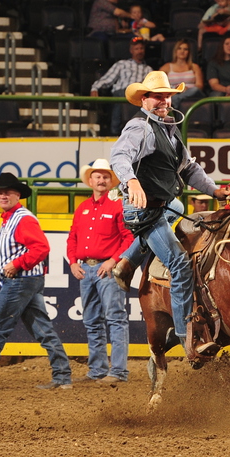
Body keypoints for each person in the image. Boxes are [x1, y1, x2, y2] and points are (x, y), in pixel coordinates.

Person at [109, 70, 230, 355]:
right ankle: (187, 337)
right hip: (143, 211)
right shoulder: (139, 127)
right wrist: (130, 181)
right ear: (144, 99)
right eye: (158, 96)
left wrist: (214, 191)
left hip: (162, 204)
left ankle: (128, 261)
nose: (164, 100)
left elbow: (189, 168)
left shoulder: (169, 129)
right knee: (179, 263)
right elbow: (119, 156)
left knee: (178, 206)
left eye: (167, 95)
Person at [0, 173, 72, 391]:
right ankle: (62, 376)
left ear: (17, 195)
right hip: (28, 280)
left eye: (7, 192)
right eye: (0, 192)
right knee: (42, 328)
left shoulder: (22, 219)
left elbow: (41, 248)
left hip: (20, 280)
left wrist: (17, 264)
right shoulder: (14, 218)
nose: (2, 195)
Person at [67, 160, 134, 384]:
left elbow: (128, 238)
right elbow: (73, 237)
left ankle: (118, 371)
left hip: (107, 269)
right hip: (86, 269)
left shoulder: (117, 206)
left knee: (115, 318)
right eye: (98, 176)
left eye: (106, 177)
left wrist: (113, 261)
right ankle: (97, 370)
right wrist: (73, 262)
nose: (102, 180)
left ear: (109, 181)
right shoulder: (82, 208)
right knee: (92, 320)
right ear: (91, 180)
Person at [90, 37, 152, 136]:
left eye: (141, 48)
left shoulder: (148, 69)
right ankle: (115, 131)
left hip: (139, 96)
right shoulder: (122, 64)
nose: (140, 51)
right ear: (131, 51)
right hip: (122, 92)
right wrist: (95, 88)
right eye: (137, 49)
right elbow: (108, 79)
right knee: (122, 94)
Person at [160, 39, 204, 110]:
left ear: (188, 52)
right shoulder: (166, 67)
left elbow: (199, 86)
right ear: (175, 51)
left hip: (191, 93)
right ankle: (176, 98)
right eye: (179, 48)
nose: (182, 51)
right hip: (174, 92)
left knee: (195, 89)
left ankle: (176, 100)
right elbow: (159, 84)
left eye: (185, 49)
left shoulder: (194, 67)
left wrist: (187, 89)